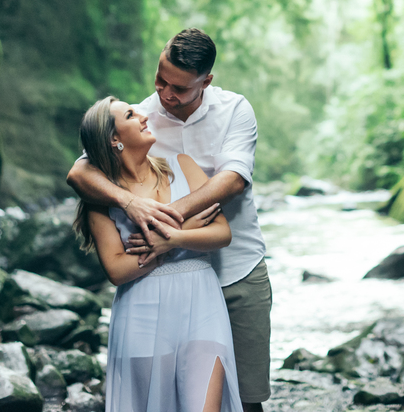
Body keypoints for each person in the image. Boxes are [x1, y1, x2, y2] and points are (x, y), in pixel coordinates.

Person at [68, 29, 272, 412]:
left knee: (245, 398)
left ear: (205, 82)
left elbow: (233, 180)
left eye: (177, 87)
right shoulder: (141, 116)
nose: (165, 93)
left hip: (238, 270)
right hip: (159, 288)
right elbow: (79, 173)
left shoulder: (235, 110)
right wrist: (132, 203)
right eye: (160, 79)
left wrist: (172, 224)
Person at [74, 95, 242, 412]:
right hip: (141, 314)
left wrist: (174, 239)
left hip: (201, 305)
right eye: (129, 114)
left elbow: (221, 232)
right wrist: (170, 242)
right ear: (114, 139)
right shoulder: (100, 198)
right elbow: (117, 270)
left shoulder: (183, 165)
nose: (142, 115)